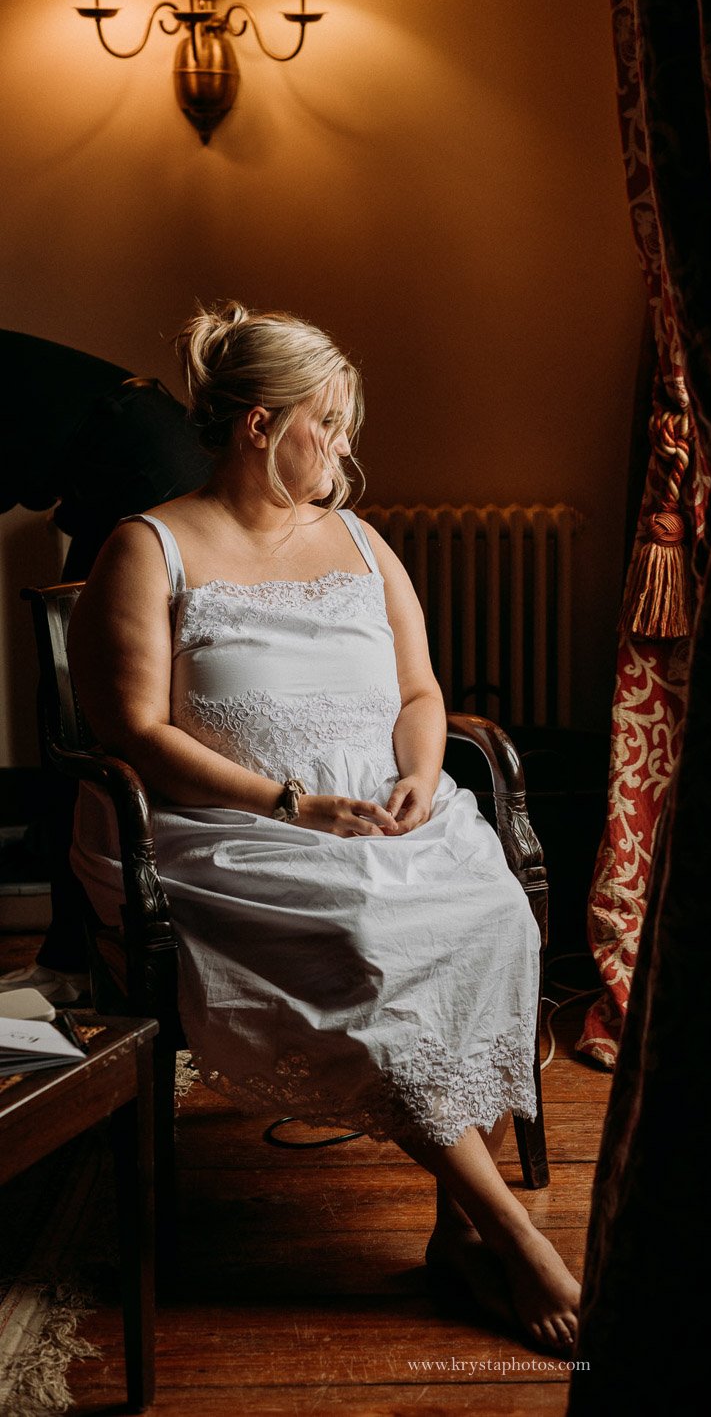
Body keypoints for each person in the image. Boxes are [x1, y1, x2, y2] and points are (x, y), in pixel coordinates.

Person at [67, 301, 580, 1352]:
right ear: (260, 425)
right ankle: (508, 1228)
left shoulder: (358, 542)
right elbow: (130, 729)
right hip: (226, 827)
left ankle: (450, 1234)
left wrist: (421, 779)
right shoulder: (147, 545)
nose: (343, 449)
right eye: (327, 424)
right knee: (364, 939)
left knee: (489, 915)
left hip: (383, 811)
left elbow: (422, 692)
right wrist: (290, 805)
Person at [0, 330, 212, 1003]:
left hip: (141, 462)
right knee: (85, 715)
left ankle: (83, 962)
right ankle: (84, 956)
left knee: (83, 719)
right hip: (140, 449)